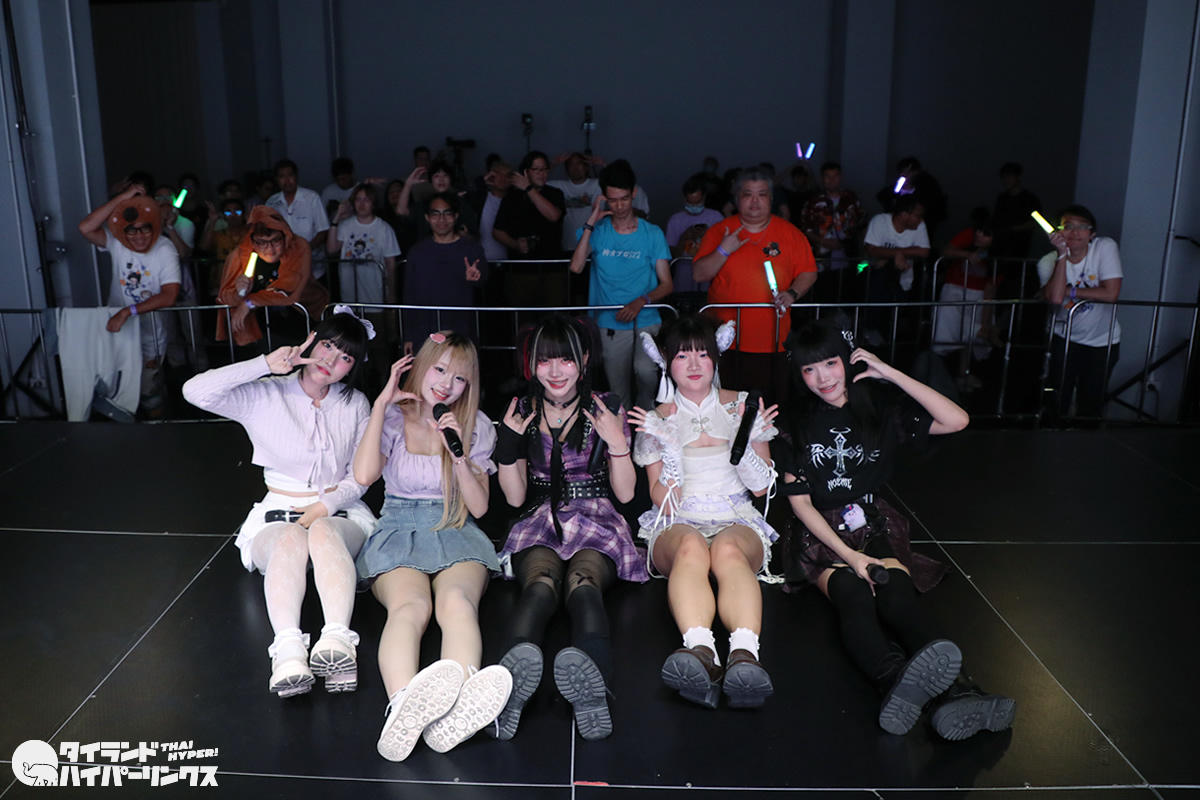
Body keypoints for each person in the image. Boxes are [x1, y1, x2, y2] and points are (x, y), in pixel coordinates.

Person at [776, 319, 1015, 739]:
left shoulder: (879, 405)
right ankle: (893, 680)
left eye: (830, 363)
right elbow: (800, 504)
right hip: (819, 532)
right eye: (809, 369)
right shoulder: (794, 421)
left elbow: (957, 419)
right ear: (799, 374)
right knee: (853, 596)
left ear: (847, 361)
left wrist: (889, 373)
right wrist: (850, 557)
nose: (822, 378)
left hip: (871, 521)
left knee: (898, 594)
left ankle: (960, 690)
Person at [182, 313, 377, 699]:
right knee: (290, 536)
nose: (330, 360)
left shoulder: (355, 403)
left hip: (339, 512)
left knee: (322, 530)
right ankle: (288, 652)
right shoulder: (266, 394)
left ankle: (338, 642)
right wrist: (264, 365)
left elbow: (361, 476)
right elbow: (195, 391)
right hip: (278, 511)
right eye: (327, 345)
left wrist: (326, 505)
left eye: (345, 357)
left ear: (352, 367)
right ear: (312, 340)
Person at [353, 332, 512, 762]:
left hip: (455, 525)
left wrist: (457, 454)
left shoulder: (476, 426)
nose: (446, 384)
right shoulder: (391, 419)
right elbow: (364, 476)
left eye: (459, 378)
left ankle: (460, 708)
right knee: (411, 608)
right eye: (440, 370)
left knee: (457, 603)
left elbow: (479, 505)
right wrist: (380, 405)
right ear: (420, 367)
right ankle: (402, 705)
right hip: (398, 527)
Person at [490, 316, 648, 741]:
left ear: (584, 360)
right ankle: (505, 692)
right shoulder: (522, 411)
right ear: (532, 365)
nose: (556, 371)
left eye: (565, 360)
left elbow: (626, 494)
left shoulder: (605, 407)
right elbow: (515, 499)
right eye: (545, 361)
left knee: (583, 585)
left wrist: (617, 442)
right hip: (541, 515)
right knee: (540, 586)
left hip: (596, 514)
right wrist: (507, 445)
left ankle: (594, 689)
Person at [628, 314, 780, 710]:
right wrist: (670, 450)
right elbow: (661, 499)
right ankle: (701, 654)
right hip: (678, 519)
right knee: (691, 547)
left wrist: (744, 439)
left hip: (735, 514)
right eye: (682, 356)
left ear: (716, 357)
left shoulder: (743, 405)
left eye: (702, 354)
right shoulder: (656, 419)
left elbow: (761, 488)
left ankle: (745, 656)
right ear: (666, 361)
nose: (694, 364)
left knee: (728, 550)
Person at [692, 167, 818, 403]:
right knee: (726, 404)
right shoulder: (720, 230)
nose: (754, 201)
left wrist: (792, 293)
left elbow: (808, 271)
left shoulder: (790, 233)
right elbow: (699, 274)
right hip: (724, 339)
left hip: (773, 338)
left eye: (761, 194)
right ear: (737, 198)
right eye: (747, 194)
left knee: (770, 406)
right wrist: (724, 250)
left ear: (771, 199)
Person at [568, 160, 673, 412]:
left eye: (624, 199)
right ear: (604, 198)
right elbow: (576, 267)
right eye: (613, 200)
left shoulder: (652, 233)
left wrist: (641, 301)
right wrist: (591, 220)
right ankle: (622, 430)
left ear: (633, 193)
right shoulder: (597, 231)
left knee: (646, 371)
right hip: (609, 322)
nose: (619, 206)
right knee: (617, 389)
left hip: (646, 318)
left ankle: (646, 412)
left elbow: (667, 284)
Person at [77, 185, 181, 416]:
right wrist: (123, 198)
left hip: (150, 333)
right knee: (118, 384)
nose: (139, 236)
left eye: (145, 229)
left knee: (148, 388)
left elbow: (169, 295)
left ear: (154, 225)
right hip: (119, 332)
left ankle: (157, 428)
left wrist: (127, 311)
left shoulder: (165, 249)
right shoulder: (117, 242)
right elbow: (86, 227)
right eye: (132, 230)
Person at [1036, 205, 1122, 421]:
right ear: (1057, 232)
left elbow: (1111, 293)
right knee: (1057, 397)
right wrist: (1062, 255)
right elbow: (1056, 298)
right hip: (1062, 337)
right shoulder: (1047, 261)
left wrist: (1069, 291)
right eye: (1068, 226)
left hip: (1103, 340)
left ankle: (1086, 438)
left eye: (1083, 227)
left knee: (1092, 400)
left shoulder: (1104, 247)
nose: (1075, 232)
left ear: (1092, 234)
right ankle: (1052, 436)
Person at [215, 205, 329, 349]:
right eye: (262, 242)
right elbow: (225, 296)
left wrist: (250, 301)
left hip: (301, 320)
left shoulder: (298, 247)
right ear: (252, 241)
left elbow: (290, 286)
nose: (270, 248)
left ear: (285, 236)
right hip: (262, 329)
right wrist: (239, 292)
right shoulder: (242, 255)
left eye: (276, 240)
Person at [402, 192, 489, 353]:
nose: (441, 220)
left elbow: (483, 281)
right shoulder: (417, 252)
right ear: (427, 218)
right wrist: (408, 335)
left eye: (447, 213)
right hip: (424, 329)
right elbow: (409, 295)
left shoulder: (472, 249)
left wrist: (476, 278)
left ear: (455, 216)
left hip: (461, 328)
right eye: (435, 214)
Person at [931, 219, 1002, 386]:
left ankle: (963, 375)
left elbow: (990, 291)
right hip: (954, 289)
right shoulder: (969, 235)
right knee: (945, 328)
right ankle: (932, 376)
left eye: (986, 234)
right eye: (978, 231)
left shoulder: (999, 257)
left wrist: (985, 324)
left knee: (972, 335)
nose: (979, 235)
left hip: (978, 295)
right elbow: (946, 250)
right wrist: (967, 255)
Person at [493, 151, 567, 306]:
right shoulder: (511, 198)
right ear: (526, 172)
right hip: (521, 269)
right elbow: (497, 231)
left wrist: (528, 189)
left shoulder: (555, 193)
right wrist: (515, 244)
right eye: (537, 169)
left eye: (545, 169)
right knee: (522, 314)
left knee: (554, 314)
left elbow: (553, 215)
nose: (542, 173)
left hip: (552, 267)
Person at [328, 182, 401, 304]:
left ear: (373, 203)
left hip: (375, 293)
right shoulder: (345, 225)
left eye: (366, 200)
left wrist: (392, 293)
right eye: (358, 200)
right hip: (349, 292)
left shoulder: (384, 228)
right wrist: (336, 219)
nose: (361, 204)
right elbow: (331, 249)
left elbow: (391, 265)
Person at [267, 159, 331, 281]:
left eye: (290, 175)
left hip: (314, 268)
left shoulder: (312, 198)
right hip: (284, 267)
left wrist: (306, 249)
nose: (287, 180)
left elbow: (323, 230)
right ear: (277, 179)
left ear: (296, 176)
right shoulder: (272, 202)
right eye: (282, 176)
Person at [800, 162, 865, 280]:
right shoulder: (814, 202)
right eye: (828, 176)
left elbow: (862, 224)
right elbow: (805, 229)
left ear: (840, 177)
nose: (832, 180)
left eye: (835, 176)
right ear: (822, 178)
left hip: (849, 257)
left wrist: (865, 253)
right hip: (821, 261)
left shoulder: (850, 198)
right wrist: (823, 241)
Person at [665, 174, 725, 260]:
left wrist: (708, 235)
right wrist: (684, 237)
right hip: (683, 267)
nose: (694, 206)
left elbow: (724, 250)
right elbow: (672, 256)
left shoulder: (716, 217)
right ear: (684, 198)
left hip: (709, 267)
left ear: (704, 197)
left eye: (698, 202)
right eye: (690, 202)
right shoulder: (675, 220)